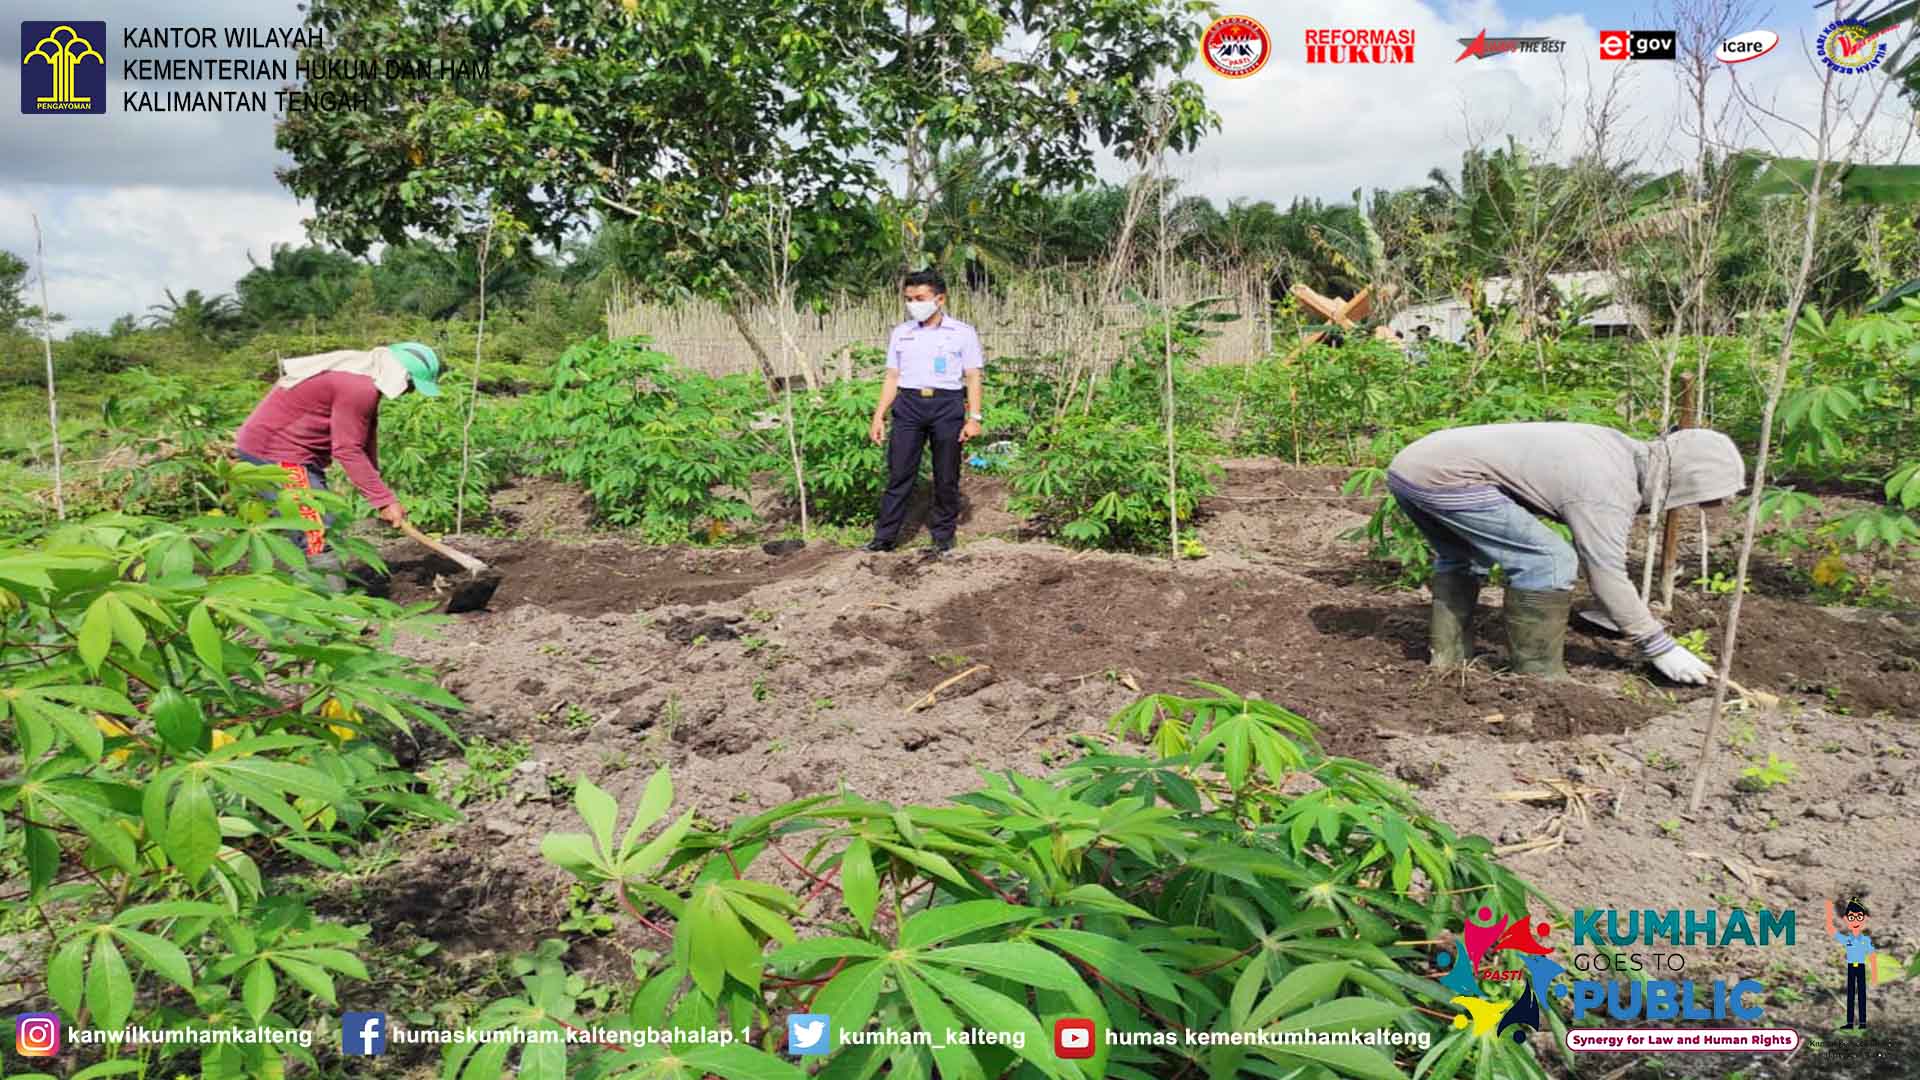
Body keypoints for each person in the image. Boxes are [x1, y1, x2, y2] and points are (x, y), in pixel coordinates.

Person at [1387, 422, 1745, 682]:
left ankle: (1449, 660)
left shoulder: (1618, 448)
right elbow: (1604, 571)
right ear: (1683, 480)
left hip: (1413, 464)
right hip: (1446, 477)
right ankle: (1537, 678)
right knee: (1549, 560)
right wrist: (1658, 645)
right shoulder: (1604, 487)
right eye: (1697, 497)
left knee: (1463, 556)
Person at [232, 343, 442, 580]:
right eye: (412, 385)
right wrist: (383, 501)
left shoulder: (364, 377)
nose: (410, 392)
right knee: (316, 531)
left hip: (292, 453)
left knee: (314, 526)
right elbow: (348, 449)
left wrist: (381, 494)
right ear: (400, 375)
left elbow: (363, 438)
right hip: (276, 453)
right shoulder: (358, 387)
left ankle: (313, 595)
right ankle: (331, 607)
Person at [866, 269, 985, 557]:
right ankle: (884, 539)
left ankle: (943, 537)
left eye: (920, 298)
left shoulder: (962, 333)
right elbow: (892, 376)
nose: (913, 304)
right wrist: (879, 415)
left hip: (947, 404)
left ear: (939, 299)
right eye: (908, 299)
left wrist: (975, 418)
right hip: (908, 405)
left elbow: (973, 376)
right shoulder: (901, 333)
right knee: (899, 473)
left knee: (946, 474)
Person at [1826, 897, 1877, 1030]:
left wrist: (1875, 975)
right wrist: (1828, 912)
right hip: (1851, 968)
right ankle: (1850, 1022)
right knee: (1850, 995)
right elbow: (1832, 931)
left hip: (1860, 968)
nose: (1855, 921)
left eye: (1859, 918)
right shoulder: (1847, 939)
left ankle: (1862, 1022)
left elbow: (1872, 956)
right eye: (1851, 918)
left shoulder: (1865, 940)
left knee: (1860, 995)